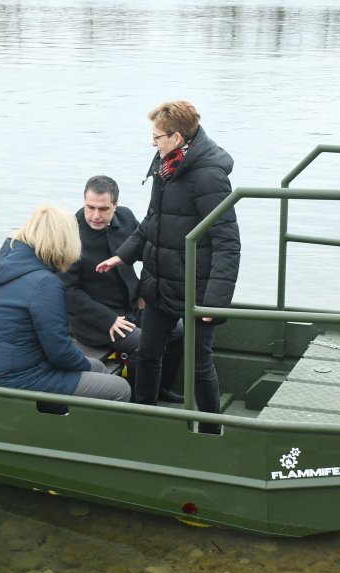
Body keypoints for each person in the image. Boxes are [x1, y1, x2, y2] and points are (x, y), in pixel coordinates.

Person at [97, 100, 241, 434]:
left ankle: (210, 432)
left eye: (157, 136)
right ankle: (144, 419)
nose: (152, 142)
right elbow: (153, 221)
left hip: (196, 289)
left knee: (199, 365)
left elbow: (227, 242)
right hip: (160, 283)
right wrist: (123, 255)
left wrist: (215, 301)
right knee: (147, 353)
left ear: (177, 138)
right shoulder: (165, 166)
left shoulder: (209, 178)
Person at [0, 206, 131, 403]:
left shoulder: (10, 267)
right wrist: (83, 365)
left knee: (96, 367)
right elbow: (59, 350)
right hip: (24, 377)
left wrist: (86, 365)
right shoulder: (45, 283)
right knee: (120, 388)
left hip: (8, 369)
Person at [61, 175, 185, 403]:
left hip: (130, 306)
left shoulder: (126, 217)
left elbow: (150, 254)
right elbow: (69, 292)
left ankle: (161, 388)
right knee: (144, 343)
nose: (95, 216)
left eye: (103, 209)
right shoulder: (70, 233)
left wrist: (143, 293)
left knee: (178, 329)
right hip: (97, 321)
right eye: (90, 207)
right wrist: (108, 319)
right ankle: (137, 402)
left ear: (115, 206)